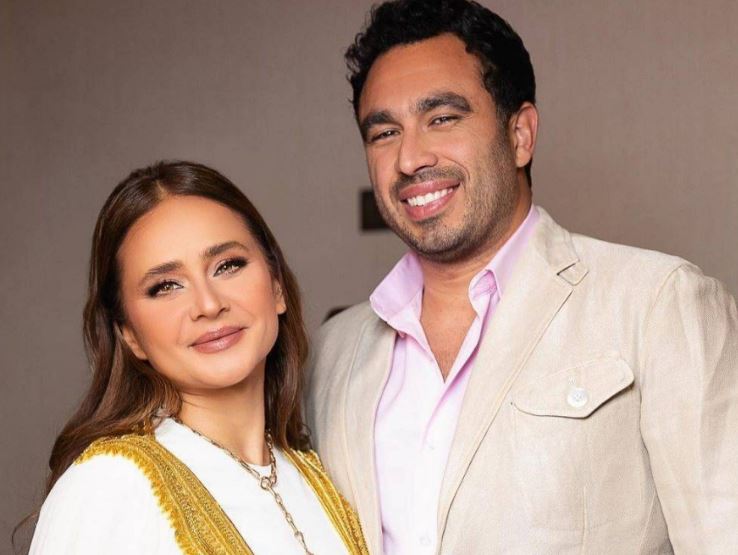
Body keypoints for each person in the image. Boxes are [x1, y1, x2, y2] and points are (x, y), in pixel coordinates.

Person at [306, 1, 738, 553]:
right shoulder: (333, 353)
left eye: (442, 118)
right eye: (384, 132)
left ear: (520, 135)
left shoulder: (657, 303)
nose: (410, 158)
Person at [29, 161, 368, 554]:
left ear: (276, 286)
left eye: (228, 266)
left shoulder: (314, 477)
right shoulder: (109, 486)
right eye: (166, 286)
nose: (208, 304)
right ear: (130, 334)